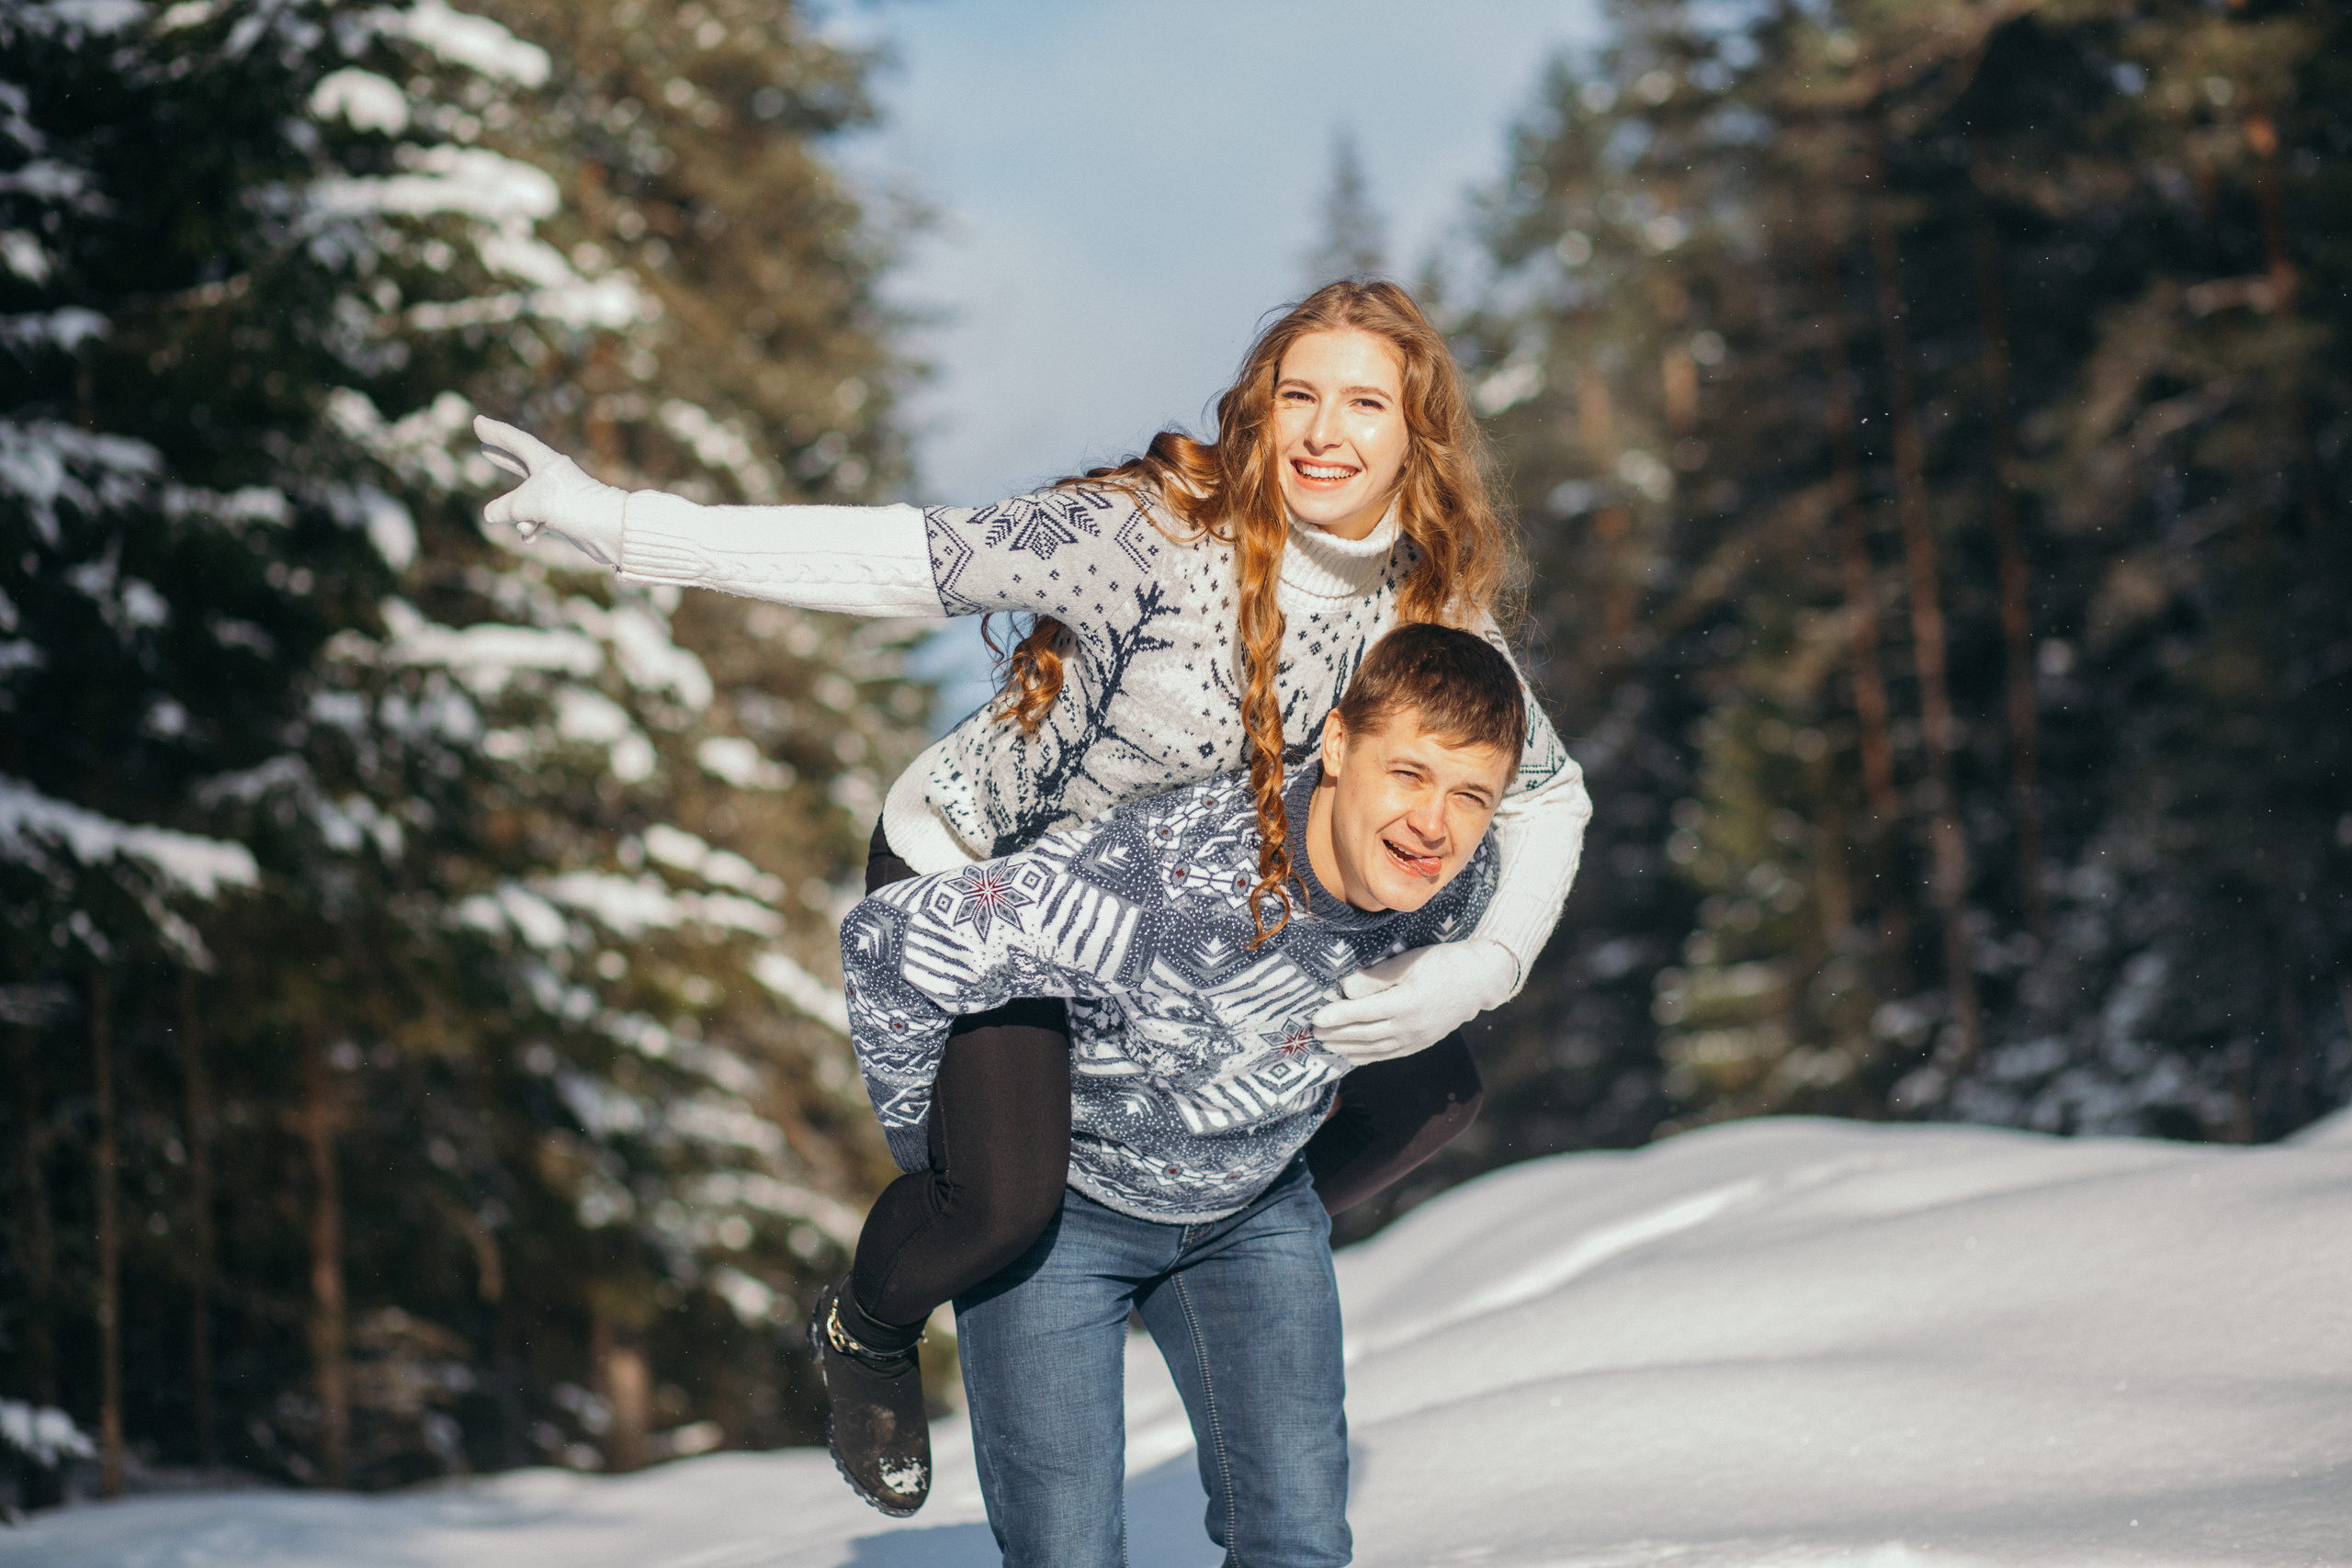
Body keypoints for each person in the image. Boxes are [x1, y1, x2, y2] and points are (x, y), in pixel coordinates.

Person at [473, 279, 1590, 1511]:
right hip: (990, 883)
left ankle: (1195, 1241)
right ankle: (867, 1324)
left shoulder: (1426, 607)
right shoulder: (1150, 535)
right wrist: (621, 526)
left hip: (1186, 920)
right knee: (1008, 1201)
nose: (1325, 432)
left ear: (1416, 433)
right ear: (1259, 412)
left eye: (1365, 404)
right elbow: (904, 559)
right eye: (1298, 396)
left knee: (1432, 1090)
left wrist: (1482, 965)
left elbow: (1547, 795)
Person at [836, 622, 1526, 1567]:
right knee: (1067, 1551)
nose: (1434, 825)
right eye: (1408, 774)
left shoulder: (1464, 886)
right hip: (1066, 1212)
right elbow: (892, 941)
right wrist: (946, 1166)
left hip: (1252, 1206)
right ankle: (862, 1325)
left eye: (1470, 795)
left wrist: (1278, 1211)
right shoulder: (1163, 879)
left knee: (1298, 1539)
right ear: (1336, 746)